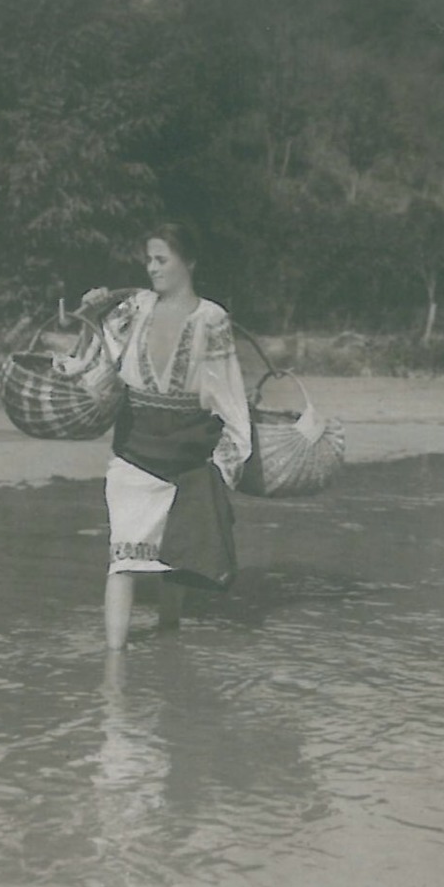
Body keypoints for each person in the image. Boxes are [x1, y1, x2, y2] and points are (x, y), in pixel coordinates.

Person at [77, 221, 252, 650]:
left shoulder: (212, 319)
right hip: (133, 451)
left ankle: (168, 643)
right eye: (148, 260)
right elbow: (96, 366)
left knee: (173, 559)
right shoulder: (133, 308)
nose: (151, 269)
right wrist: (89, 316)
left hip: (187, 455)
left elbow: (227, 393)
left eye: (161, 260)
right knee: (122, 559)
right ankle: (114, 667)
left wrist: (227, 460)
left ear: (188, 262)